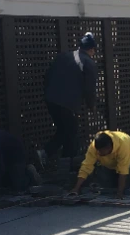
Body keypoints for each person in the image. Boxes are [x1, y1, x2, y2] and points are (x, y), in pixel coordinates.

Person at [40, 32, 99, 168]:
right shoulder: (88, 63)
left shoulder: (63, 56)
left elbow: (48, 75)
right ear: (91, 49)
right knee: (71, 132)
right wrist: (92, 105)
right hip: (67, 103)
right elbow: (89, 89)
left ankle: (48, 155)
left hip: (51, 99)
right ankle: (67, 163)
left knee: (64, 129)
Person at [69, 130, 130, 198]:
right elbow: (86, 166)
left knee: (127, 189)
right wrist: (76, 188)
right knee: (109, 187)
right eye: (97, 151)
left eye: (101, 151)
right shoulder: (93, 148)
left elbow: (123, 172)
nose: (98, 153)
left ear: (109, 147)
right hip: (108, 163)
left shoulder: (123, 148)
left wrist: (119, 194)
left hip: (129, 154)